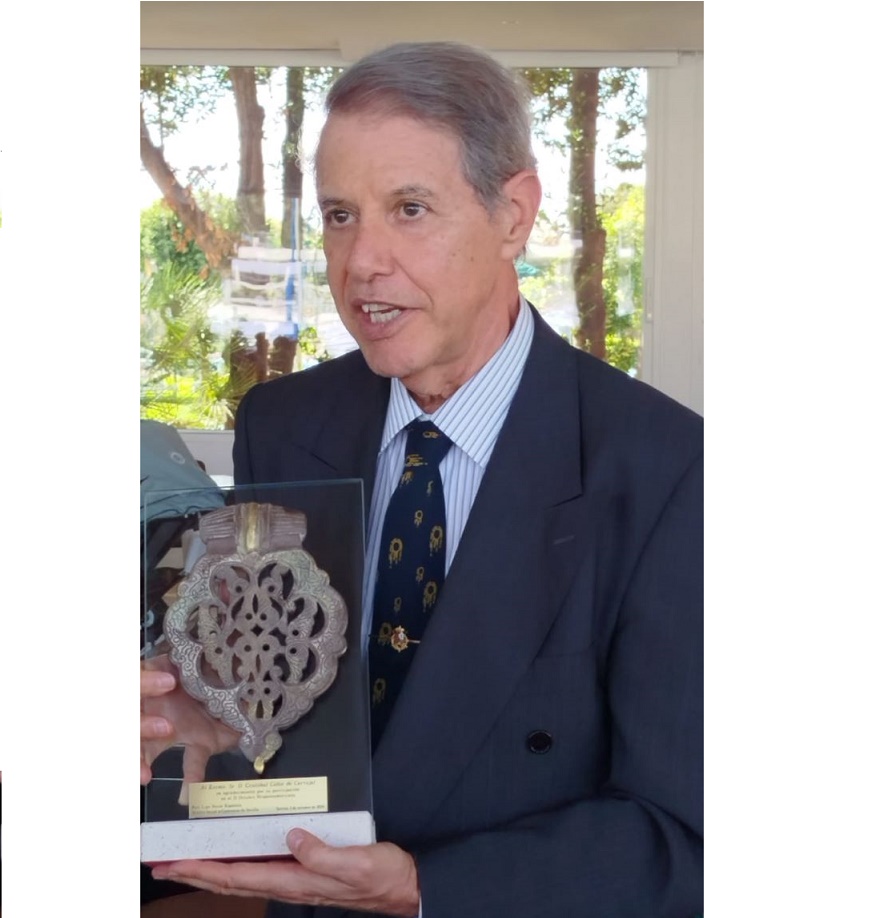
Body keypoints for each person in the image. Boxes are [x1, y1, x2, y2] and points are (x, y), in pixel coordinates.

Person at [141, 41, 703, 917]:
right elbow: (275, 695)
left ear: (513, 215)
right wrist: (198, 718)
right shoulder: (282, 425)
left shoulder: (668, 467)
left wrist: (422, 887)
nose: (361, 260)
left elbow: (683, 838)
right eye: (339, 215)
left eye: (409, 209)